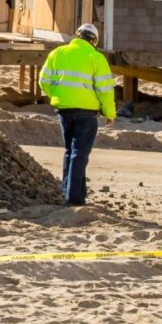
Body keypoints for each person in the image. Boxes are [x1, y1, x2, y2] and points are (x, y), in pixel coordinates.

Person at [38, 22, 116, 205]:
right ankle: (74, 198)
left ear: (77, 35)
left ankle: (70, 192)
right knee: (79, 154)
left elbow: (43, 81)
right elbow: (105, 90)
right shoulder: (95, 57)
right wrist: (109, 113)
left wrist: (57, 96)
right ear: (93, 40)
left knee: (69, 152)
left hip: (64, 110)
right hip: (87, 113)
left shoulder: (57, 53)